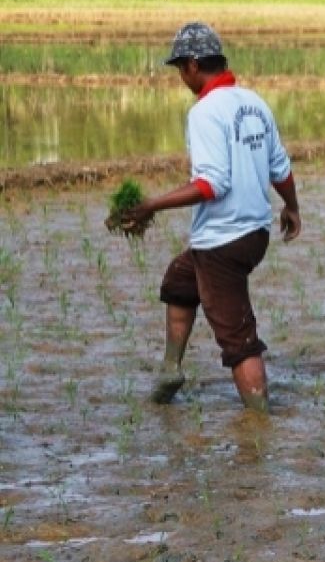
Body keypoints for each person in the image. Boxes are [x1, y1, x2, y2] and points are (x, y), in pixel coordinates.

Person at [124, 22, 300, 413]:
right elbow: (280, 167)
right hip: (254, 232)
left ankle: (259, 421)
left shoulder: (205, 112)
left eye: (179, 70)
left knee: (238, 338)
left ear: (191, 65)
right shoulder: (254, 102)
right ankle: (171, 369)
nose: (181, 79)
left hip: (223, 239)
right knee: (180, 282)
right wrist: (292, 207)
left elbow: (211, 184)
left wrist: (152, 205)